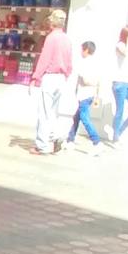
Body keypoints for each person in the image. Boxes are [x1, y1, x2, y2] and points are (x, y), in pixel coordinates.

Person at [29, 9, 72, 155]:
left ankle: (41, 145)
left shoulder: (51, 38)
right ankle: (54, 139)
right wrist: (66, 74)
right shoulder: (66, 39)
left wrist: (36, 77)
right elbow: (69, 62)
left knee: (44, 112)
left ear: (52, 22)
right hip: (61, 78)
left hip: (50, 77)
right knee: (54, 112)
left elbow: (44, 59)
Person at [65, 41, 103, 155]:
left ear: (86, 50)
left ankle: (96, 142)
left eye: (82, 50)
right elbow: (99, 81)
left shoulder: (84, 63)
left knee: (85, 118)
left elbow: (85, 80)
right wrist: (96, 93)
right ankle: (70, 140)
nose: (81, 52)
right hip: (90, 95)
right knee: (77, 117)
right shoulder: (96, 63)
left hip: (84, 95)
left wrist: (89, 84)